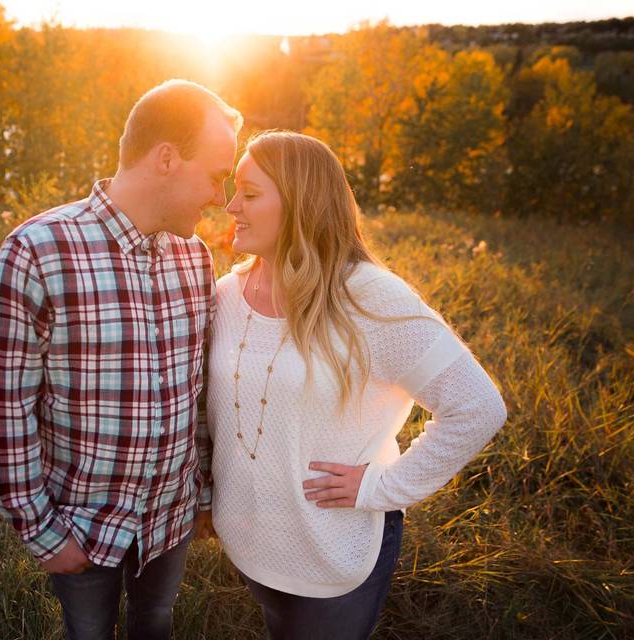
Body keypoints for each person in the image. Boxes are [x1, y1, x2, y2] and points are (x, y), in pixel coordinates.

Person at [196, 130, 508, 640]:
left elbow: (476, 407)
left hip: (334, 552)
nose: (231, 206)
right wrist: (211, 500)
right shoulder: (226, 294)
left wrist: (383, 486)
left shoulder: (368, 297)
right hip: (252, 544)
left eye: (250, 194)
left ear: (301, 203)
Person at [0, 79, 241, 640]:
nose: (220, 196)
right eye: (216, 175)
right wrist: (41, 531)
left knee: (156, 624)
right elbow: (0, 406)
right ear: (166, 158)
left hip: (171, 516)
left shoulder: (194, 258)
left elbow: (200, 389)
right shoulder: (38, 250)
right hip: (82, 523)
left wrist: (205, 495)